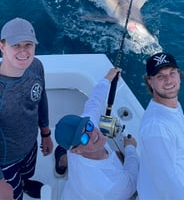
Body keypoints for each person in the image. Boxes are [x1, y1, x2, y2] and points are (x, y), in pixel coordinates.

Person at [55, 68, 139, 200]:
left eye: (88, 126)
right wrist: (130, 148)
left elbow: (95, 102)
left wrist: (107, 79)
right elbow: (132, 180)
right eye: (83, 138)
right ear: (75, 151)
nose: (94, 133)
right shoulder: (113, 185)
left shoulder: (86, 129)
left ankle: (61, 162)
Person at [137, 52, 184, 200]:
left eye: (172, 73)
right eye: (160, 76)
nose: (168, 80)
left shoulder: (172, 106)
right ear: (150, 81)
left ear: (179, 75)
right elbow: (166, 185)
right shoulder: (157, 128)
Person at [0, 17, 53, 200]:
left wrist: (45, 134)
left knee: (27, 175)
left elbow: (41, 98)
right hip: (5, 162)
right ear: (2, 46)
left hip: (31, 145)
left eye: (28, 44)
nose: (23, 51)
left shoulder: (36, 66)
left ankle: (24, 183)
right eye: (16, 45)